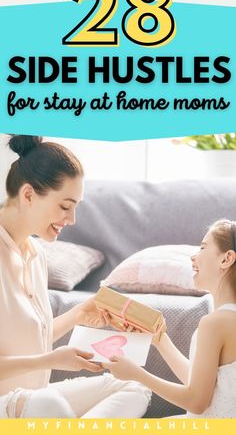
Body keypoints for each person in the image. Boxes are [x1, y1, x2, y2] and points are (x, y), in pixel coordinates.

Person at [0, 134, 152, 419]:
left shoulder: (35, 254)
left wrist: (80, 313)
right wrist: (47, 360)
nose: (72, 220)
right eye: (65, 206)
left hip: (32, 400)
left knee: (133, 386)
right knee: (51, 407)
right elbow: (38, 354)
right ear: (29, 195)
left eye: (76, 206)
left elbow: (30, 335)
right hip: (10, 404)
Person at [103, 219, 236, 417]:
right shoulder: (224, 320)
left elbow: (196, 402)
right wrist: (161, 341)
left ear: (226, 259)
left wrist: (136, 374)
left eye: (202, 248)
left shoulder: (214, 324)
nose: (193, 257)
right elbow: (201, 385)